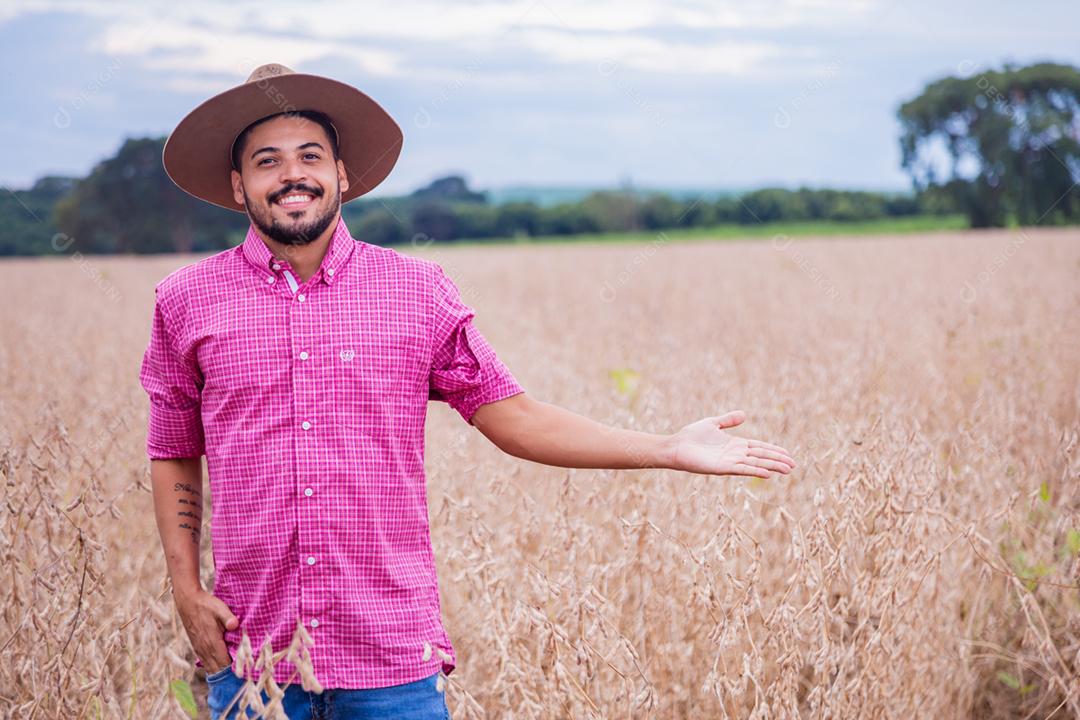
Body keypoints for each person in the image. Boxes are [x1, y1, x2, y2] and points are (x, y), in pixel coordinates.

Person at [140, 63, 796, 720]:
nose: (292, 175)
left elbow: (516, 418)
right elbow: (173, 449)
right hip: (254, 658)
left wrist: (669, 448)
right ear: (239, 185)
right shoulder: (187, 302)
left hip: (390, 657)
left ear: (342, 175)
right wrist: (185, 590)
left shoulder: (416, 293)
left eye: (310, 156)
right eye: (267, 161)